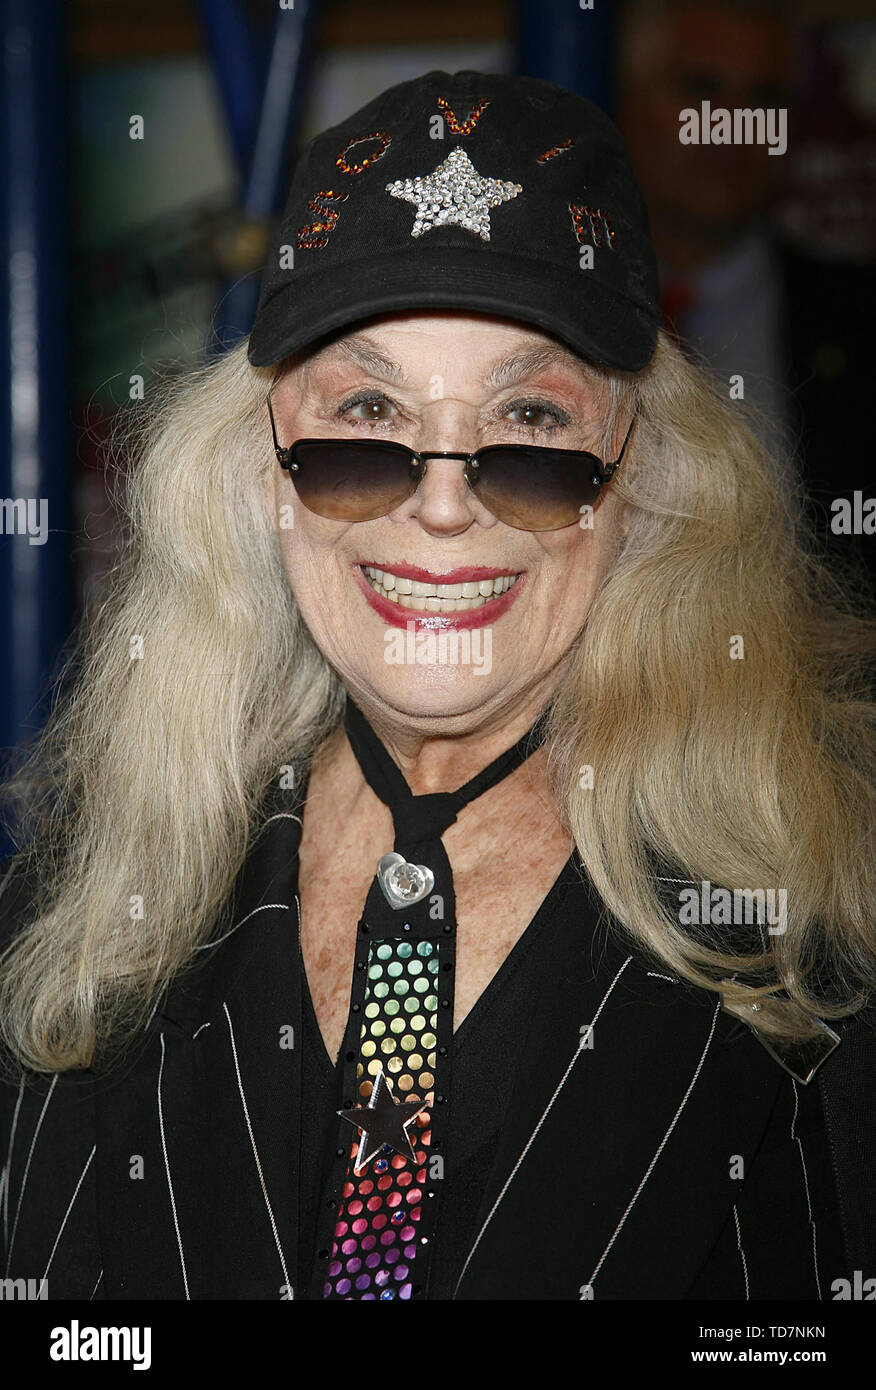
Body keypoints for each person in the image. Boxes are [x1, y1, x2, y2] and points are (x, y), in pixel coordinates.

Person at [0, 70, 873, 1302]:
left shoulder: (823, 918)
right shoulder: (86, 910)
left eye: (530, 421)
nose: (444, 500)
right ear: (260, 476)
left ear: (646, 486)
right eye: (365, 415)